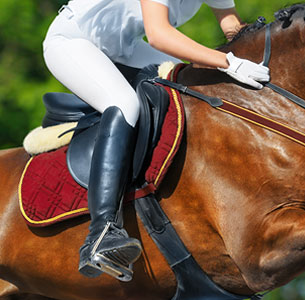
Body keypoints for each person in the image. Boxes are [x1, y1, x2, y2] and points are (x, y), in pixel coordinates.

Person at [42, 0, 269, 281]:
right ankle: (101, 233)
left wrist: (267, 53)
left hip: (124, 47)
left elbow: (233, 28)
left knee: (190, 80)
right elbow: (159, 35)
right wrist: (228, 62)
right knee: (124, 103)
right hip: (72, 42)